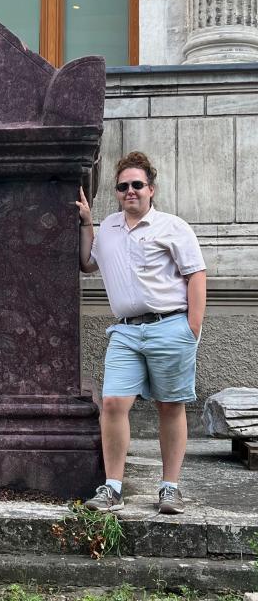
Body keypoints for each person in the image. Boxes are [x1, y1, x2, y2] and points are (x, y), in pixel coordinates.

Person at [77, 151, 206, 514]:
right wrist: (87, 222)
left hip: (170, 326)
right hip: (126, 332)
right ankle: (112, 488)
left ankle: (170, 488)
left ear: (151, 189)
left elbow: (196, 274)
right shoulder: (110, 230)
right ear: (117, 192)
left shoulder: (172, 227)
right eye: (123, 186)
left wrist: (191, 328)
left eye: (137, 185)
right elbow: (88, 263)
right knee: (114, 403)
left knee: (170, 406)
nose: (129, 191)